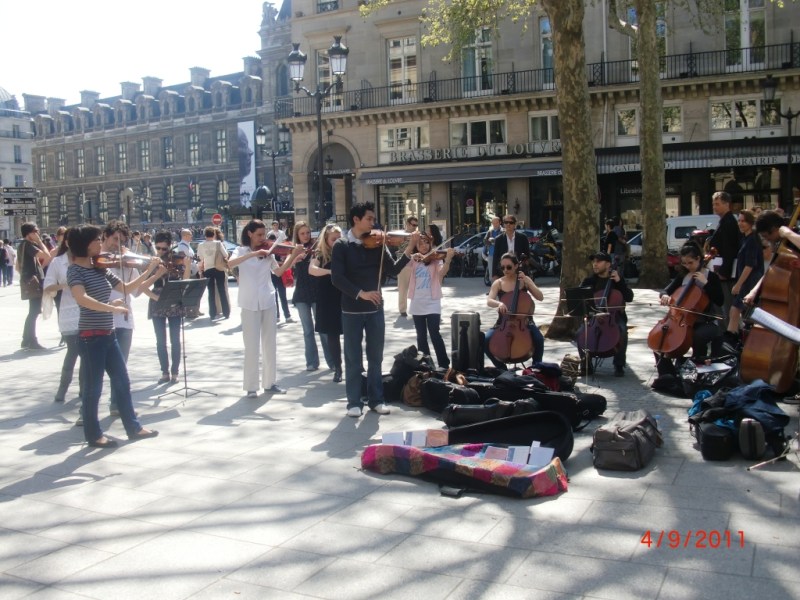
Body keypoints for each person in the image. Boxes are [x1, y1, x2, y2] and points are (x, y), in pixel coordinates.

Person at [66, 225, 160, 448]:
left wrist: (149, 270)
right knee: (93, 389)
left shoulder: (99, 267)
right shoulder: (75, 271)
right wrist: (111, 308)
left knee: (122, 381)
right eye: (97, 240)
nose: (101, 243)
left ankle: (133, 428)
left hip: (108, 335)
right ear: (85, 244)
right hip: (90, 337)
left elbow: (126, 288)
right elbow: (82, 299)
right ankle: (94, 435)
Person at [331, 201, 418, 417]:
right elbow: (337, 278)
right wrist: (361, 293)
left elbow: (394, 270)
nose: (374, 223)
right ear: (356, 219)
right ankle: (353, 403)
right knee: (353, 359)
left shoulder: (378, 243)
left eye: (374, 219)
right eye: (369, 219)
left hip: (375, 309)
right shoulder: (342, 245)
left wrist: (409, 247)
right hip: (351, 310)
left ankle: (376, 400)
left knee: (375, 357)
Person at [228, 219, 300, 397]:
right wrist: (253, 254)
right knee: (251, 346)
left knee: (270, 344)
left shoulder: (269, 252)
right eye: (259, 235)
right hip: (249, 302)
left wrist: (293, 256)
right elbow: (230, 264)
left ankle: (270, 382)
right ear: (250, 234)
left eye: (263, 234)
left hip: (268, 299)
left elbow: (279, 272)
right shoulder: (241, 250)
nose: (262, 238)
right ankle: (251, 387)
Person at [655, 243, 724, 376]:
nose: (687, 266)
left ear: (699, 259)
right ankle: (668, 376)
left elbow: (720, 301)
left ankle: (697, 371)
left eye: (690, 263)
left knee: (698, 336)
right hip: (681, 321)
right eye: (684, 263)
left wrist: (706, 284)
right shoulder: (683, 276)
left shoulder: (711, 277)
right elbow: (666, 290)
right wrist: (664, 295)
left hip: (705, 321)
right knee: (660, 338)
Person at [142, 231, 190, 384]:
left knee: (175, 339)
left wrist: (187, 266)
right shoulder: (152, 261)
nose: (161, 252)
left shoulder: (176, 258)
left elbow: (185, 281)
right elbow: (142, 286)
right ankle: (164, 372)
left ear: (170, 247)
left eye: (164, 249)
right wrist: (156, 297)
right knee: (160, 341)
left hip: (174, 299)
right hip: (157, 300)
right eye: (158, 248)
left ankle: (175, 372)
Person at [43, 230, 84, 403]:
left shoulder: (86, 260)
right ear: (66, 243)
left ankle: (84, 389)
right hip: (68, 312)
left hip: (86, 311)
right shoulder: (58, 262)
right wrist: (65, 285)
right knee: (73, 351)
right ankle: (63, 387)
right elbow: (48, 286)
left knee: (86, 354)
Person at [485, 252, 545, 369]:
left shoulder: (524, 280)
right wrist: (499, 303)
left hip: (525, 322)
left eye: (509, 267)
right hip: (503, 322)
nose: (505, 270)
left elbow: (540, 297)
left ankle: (537, 368)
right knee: (486, 340)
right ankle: (501, 369)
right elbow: (489, 301)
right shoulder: (498, 283)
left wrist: (528, 282)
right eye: (502, 267)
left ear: (516, 266)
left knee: (538, 339)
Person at [405, 229, 455, 368]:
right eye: (420, 243)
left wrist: (448, 259)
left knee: (434, 333)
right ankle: (426, 364)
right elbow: (403, 261)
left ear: (430, 244)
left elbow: (442, 273)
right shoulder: (413, 260)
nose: (424, 246)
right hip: (417, 302)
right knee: (421, 336)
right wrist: (411, 248)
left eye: (426, 242)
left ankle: (444, 364)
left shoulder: (435, 259)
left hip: (433, 302)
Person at [579, 251, 634, 377]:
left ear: (608, 264)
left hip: (614, 318)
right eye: (594, 261)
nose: (595, 264)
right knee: (580, 333)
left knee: (622, 330)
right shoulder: (589, 281)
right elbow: (579, 300)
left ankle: (619, 364)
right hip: (593, 317)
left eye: (598, 261)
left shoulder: (617, 280)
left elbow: (629, 297)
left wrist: (619, 282)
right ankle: (586, 365)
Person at [291, 221, 332, 371]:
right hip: (301, 293)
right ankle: (312, 362)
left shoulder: (317, 248)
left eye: (308, 232)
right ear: (297, 235)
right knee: (307, 331)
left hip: (316, 292)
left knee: (323, 329)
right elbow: (286, 268)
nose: (306, 236)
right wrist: (294, 258)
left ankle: (332, 361)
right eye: (302, 233)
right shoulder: (294, 249)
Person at [309, 224, 344, 382]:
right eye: (333, 239)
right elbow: (312, 269)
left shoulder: (345, 251)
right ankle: (338, 368)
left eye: (339, 238)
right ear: (326, 239)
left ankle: (355, 366)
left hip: (344, 295)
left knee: (352, 333)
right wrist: (331, 272)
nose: (336, 242)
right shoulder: (320, 253)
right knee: (332, 335)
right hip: (327, 297)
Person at [725, 209, 764, 343]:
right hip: (748, 281)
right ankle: (738, 340)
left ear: (750, 223)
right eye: (739, 221)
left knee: (735, 310)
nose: (740, 223)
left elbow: (749, 265)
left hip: (750, 281)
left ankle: (730, 341)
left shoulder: (752, 240)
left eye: (744, 221)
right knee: (740, 312)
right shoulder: (746, 238)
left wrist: (738, 284)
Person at [707, 191, 741, 331]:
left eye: (717, 204)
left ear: (727, 204)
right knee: (722, 305)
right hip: (722, 269)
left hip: (725, 272)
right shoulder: (725, 221)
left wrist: (724, 272)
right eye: (713, 204)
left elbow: (729, 249)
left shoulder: (728, 222)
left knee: (725, 304)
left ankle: (729, 334)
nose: (714, 207)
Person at [18, 222, 52, 350]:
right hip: (33, 282)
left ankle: (26, 339)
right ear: (29, 233)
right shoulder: (28, 245)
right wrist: (39, 241)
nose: (38, 233)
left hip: (29, 280)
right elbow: (47, 255)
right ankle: (31, 340)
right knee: (34, 311)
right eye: (35, 231)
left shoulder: (23, 245)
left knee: (33, 311)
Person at [196, 226, 231, 320]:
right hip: (219, 268)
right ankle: (226, 312)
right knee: (222, 291)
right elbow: (225, 255)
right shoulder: (218, 243)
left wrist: (200, 271)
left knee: (211, 292)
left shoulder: (201, 245)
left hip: (208, 269)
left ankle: (212, 313)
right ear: (214, 234)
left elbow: (200, 259)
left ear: (205, 235)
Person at [492, 214, 530, 279]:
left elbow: (527, 256)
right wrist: (494, 274)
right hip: (503, 271)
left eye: (511, 222)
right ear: (503, 224)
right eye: (506, 222)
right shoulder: (499, 239)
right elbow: (495, 258)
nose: (508, 224)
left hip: (518, 270)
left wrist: (526, 272)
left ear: (515, 224)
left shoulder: (523, 238)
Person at [268, 229, 294, 323]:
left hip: (279, 275)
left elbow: (283, 261)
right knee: (274, 297)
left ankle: (287, 316)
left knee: (283, 296)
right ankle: (277, 316)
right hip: (272, 276)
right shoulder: (268, 251)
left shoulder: (279, 249)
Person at [396, 215, 419, 317]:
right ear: (408, 224)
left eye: (416, 225)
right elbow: (403, 248)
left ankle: (416, 308)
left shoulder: (416, 235)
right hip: (403, 264)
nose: (415, 227)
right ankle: (402, 309)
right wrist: (412, 241)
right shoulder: (401, 235)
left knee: (417, 288)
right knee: (403, 288)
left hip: (415, 263)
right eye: (413, 225)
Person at [483, 216, 502, 281]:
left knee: (501, 272)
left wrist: (494, 241)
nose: (494, 224)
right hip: (491, 255)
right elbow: (485, 241)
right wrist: (491, 242)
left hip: (500, 255)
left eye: (496, 223)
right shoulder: (490, 231)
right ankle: (493, 286)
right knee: (492, 274)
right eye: (493, 223)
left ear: (500, 223)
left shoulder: (503, 231)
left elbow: (503, 241)